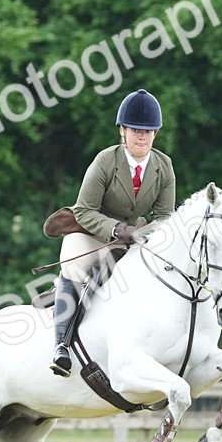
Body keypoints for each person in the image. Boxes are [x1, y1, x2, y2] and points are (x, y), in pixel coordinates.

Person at [48, 88, 176, 376]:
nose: (142, 136)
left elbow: (165, 216)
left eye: (148, 131)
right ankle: (61, 347)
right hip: (91, 231)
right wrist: (118, 228)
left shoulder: (164, 166)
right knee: (73, 266)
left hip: (131, 239)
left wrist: (148, 234)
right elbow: (83, 210)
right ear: (122, 130)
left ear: (156, 133)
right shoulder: (105, 160)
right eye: (135, 130)